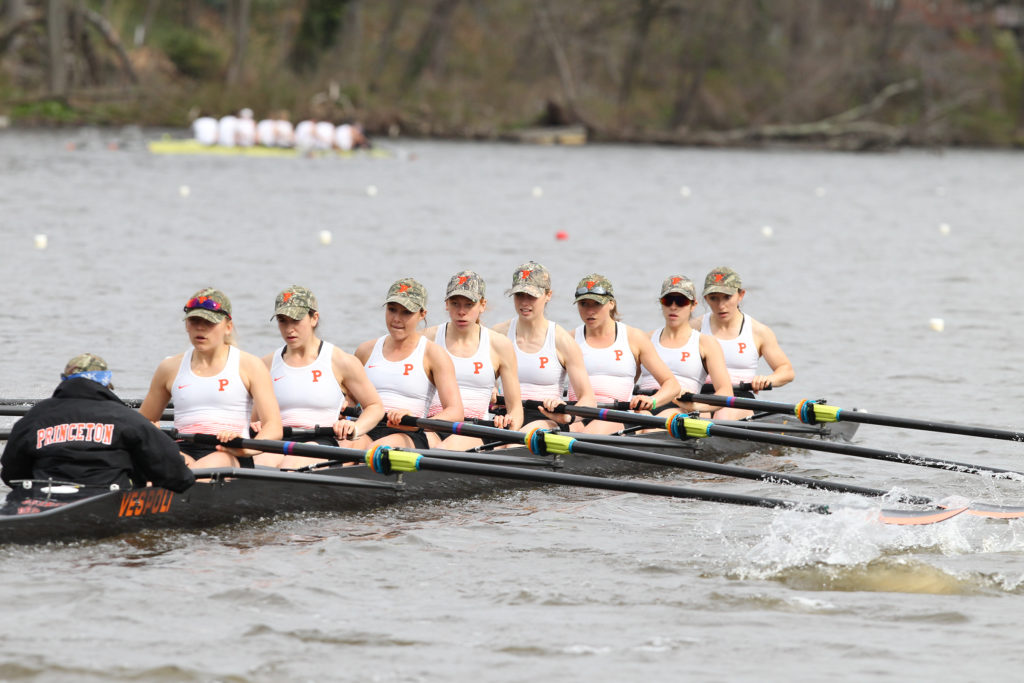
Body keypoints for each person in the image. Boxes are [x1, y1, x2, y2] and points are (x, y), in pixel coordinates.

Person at [1, 353, 195, 513]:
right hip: (104, 501)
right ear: (105, 384)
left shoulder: (34, 417)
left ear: (65, 380)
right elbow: (178, 477)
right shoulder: (127, 418)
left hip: (40, 500)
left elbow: (11, 473)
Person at [139, 288, 282, 468]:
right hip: (182, 450)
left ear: (228, 327)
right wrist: (154, 436)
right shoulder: (169, 367)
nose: (200, 328)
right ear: (186, 325)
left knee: (210, 463)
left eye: (209, 322)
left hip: (229, 452)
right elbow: (142, 424)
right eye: (194, 321)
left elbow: (274, 427)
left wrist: (247, 450)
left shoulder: (250, 365)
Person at [254, 286, 385, 468]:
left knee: (289, 466)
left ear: (314, 318)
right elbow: (253, 418)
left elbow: (375, 407)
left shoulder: (341, 361)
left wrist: (355, 428)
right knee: (259, 465)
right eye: (282, 321)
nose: (289, 329)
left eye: (296, 320)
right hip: (277, 440)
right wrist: (256, 424)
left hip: (322, 442)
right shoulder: (265, 365)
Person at [354, 278, 463, 449]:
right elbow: (350, 401)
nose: (397, 319)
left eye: (406, 313)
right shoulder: (365, 350)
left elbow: (455, 412)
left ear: (422, 314)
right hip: (368, 427)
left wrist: (417, 423)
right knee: (343, 444)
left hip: (411, 432)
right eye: (392, 310)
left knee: (376, 449)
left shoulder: (433, 354)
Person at [422, 271, 523, 450]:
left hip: (476, 429)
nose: (461, 312)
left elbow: (515, 407)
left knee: (443, 450)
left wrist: (510, 421)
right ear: (446, 304)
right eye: (455, 304)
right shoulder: (426, 339)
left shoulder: (499, 345)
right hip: (433, 425)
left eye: (469, 304)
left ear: (482, 305)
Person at [568, 274, 680, 434]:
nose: (590, 311)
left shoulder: (634, 338)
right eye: (584, 304)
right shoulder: (568, 339)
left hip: (615, 416)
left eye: (597, 304)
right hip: (576, 414)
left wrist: (652, 401)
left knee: (587, 434)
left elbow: (672, 384)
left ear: (611, 304)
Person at [492, 261, 595, 432]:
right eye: (519, 295)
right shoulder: (498, 334)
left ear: (548, 295)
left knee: (512, 445)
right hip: (505, 416)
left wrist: (569, 417)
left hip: (546, 417)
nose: (524, 303)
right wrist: (491, 388)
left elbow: (588, 400)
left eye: (531, 296)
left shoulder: (561, 340)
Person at [695, 266, 795, 418]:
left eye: (727, 297)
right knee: (700, 416)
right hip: (700, 395)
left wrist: (767, 379)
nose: (721, 305)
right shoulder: (694, 328)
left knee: (722, 415)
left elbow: (786, 371)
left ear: (740, 295)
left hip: (739, 398)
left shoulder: (758, 331)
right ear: (705, 299)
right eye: (713, 298)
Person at [636, 275, 733, 418]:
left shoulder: (705, 343)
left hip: (681, 407)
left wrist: (696, 406)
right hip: (643, 403)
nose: (673, 307)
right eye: (668, 301)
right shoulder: (645, 339)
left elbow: (725, 392)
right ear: (661, 303)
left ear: (693, 305)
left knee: (652, 426)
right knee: (639, 422)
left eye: (681, 301)